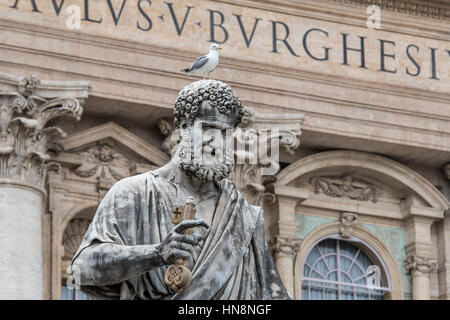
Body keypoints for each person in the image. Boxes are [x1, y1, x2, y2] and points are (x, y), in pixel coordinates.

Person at [71, 80, 290, 300]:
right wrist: (156, 254)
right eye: (208, 128)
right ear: (184, 128)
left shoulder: (243, 217)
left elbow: (273, 297)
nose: (216, 142)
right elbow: (82, 269)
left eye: (225, 133)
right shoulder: (133, 193)